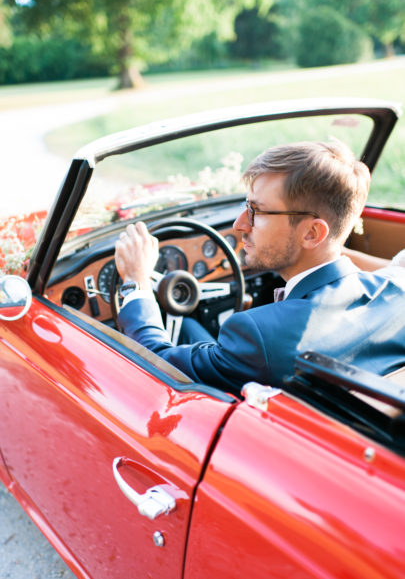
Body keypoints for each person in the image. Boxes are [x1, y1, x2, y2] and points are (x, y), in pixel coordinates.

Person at [115, 140, 405, 396]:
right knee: (189, 326)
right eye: (245, 205)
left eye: (257, 211)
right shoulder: (397, 290)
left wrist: (137, 283)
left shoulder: (261, 335)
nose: (239, 224)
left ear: (312, 234)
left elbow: (156, 358)